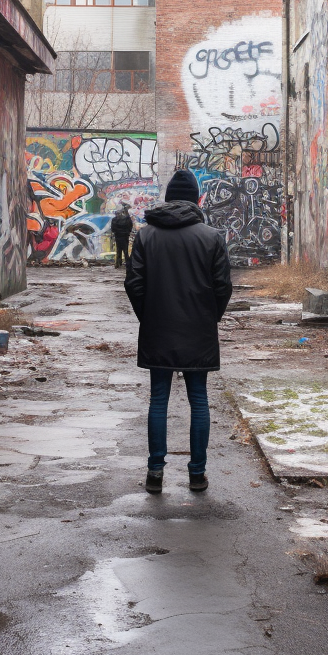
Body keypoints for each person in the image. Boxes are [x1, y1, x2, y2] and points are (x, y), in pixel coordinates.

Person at [124, 169, 232, 493]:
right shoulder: (212, 237)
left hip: (159, 329)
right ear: (197, 199)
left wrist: (150, 316)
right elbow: (223, 287)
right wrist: (209, 318)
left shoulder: (145, 236)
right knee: (199, 400)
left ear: (168, 198)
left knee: (159, 400)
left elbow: (134, 284)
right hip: (198, 330)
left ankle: (155, 473)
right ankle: (197, 475)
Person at [110, 202, 134, 268]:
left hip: (118, 236)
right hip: (125, 236)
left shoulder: (114, 220)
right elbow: (130, 226)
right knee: (125, 250)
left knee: (118, 250)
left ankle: (118, 263)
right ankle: (128, 264)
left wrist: (116, 233)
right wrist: (128, 232)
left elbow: (113, 229)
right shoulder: (127, 219)